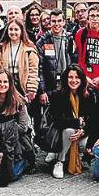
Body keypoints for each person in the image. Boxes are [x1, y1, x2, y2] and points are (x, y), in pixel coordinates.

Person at [46, 65, 99, 179]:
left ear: (82, 79)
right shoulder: (59, 95)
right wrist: (77, 122)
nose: (74, 80)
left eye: (77, 77)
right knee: (69, 131)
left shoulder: (88, 95)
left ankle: (76, 156)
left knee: (84, 143)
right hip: (62, 134)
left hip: (82, 134)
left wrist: (83, 131)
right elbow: (58, 120)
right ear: (65, 78)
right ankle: (60, 161)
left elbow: (93, 120)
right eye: (70, 77)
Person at [35, 9, 76, 138]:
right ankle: (53, 146)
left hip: (67, 83)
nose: (56, 24)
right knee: (52, 116)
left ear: (64, 22)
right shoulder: (43, 41)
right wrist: (41, 90)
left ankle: (65, 148)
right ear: (49, 22)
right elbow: (39, 67)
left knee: (67, 115)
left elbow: (74, 60)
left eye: (59, 21)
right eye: (53, 21)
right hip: (50, 84)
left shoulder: (69, 38)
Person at [0, 19, 40, 102]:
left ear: (21, 31)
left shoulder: (29, 49)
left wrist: (31, 89)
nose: (13, 32)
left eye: (16, 29)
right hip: (5, 85)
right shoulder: (0, 49)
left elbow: (33, 71)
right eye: (10, 29)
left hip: (22, 86)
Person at [74, 4, 99, 92]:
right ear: (88, 18)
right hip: (85, 82)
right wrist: (83, 76)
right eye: (92, 16)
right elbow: (78, 58)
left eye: (97, 16)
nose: (94, 18)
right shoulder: (81, 34)